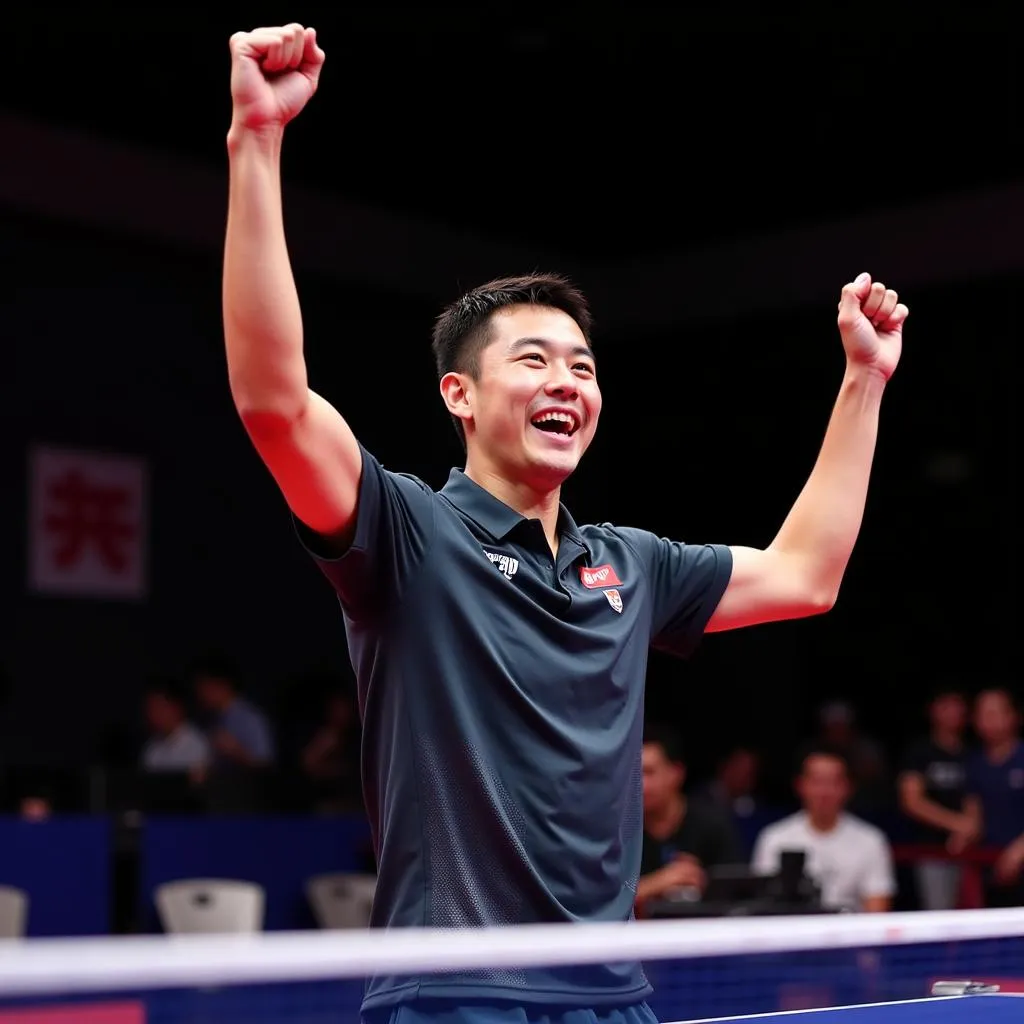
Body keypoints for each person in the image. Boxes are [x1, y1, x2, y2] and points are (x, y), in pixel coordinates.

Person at [222, 21, 909, 1024]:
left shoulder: (630, 565)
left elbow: (806, 574)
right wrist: (257, 141)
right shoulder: (405, 536)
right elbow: (274, 402)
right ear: (458, 393)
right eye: (535, 359)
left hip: (608, 1000)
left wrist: (862, 382)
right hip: (457, 997)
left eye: (583, 366)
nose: (568, 381)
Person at [751, 747, 896, 913]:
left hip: (851, 933)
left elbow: (877, 910)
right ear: (800, 785)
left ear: (847, 787)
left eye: (833, 782)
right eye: (816, 782)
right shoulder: (774, 838)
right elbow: (763, 905)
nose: (824, 792)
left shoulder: (871, 841)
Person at [897, 685, 978, 910]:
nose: (953, 712)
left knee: (972, 913)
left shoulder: (972, 753)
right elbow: (912, 801)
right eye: (946, 706)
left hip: (970, 848)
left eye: (957, 705)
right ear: (933, 710)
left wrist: (967, 829)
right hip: (930, 848)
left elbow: (977, 796)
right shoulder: (920, 751)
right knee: (939, 913)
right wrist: (957, 824)